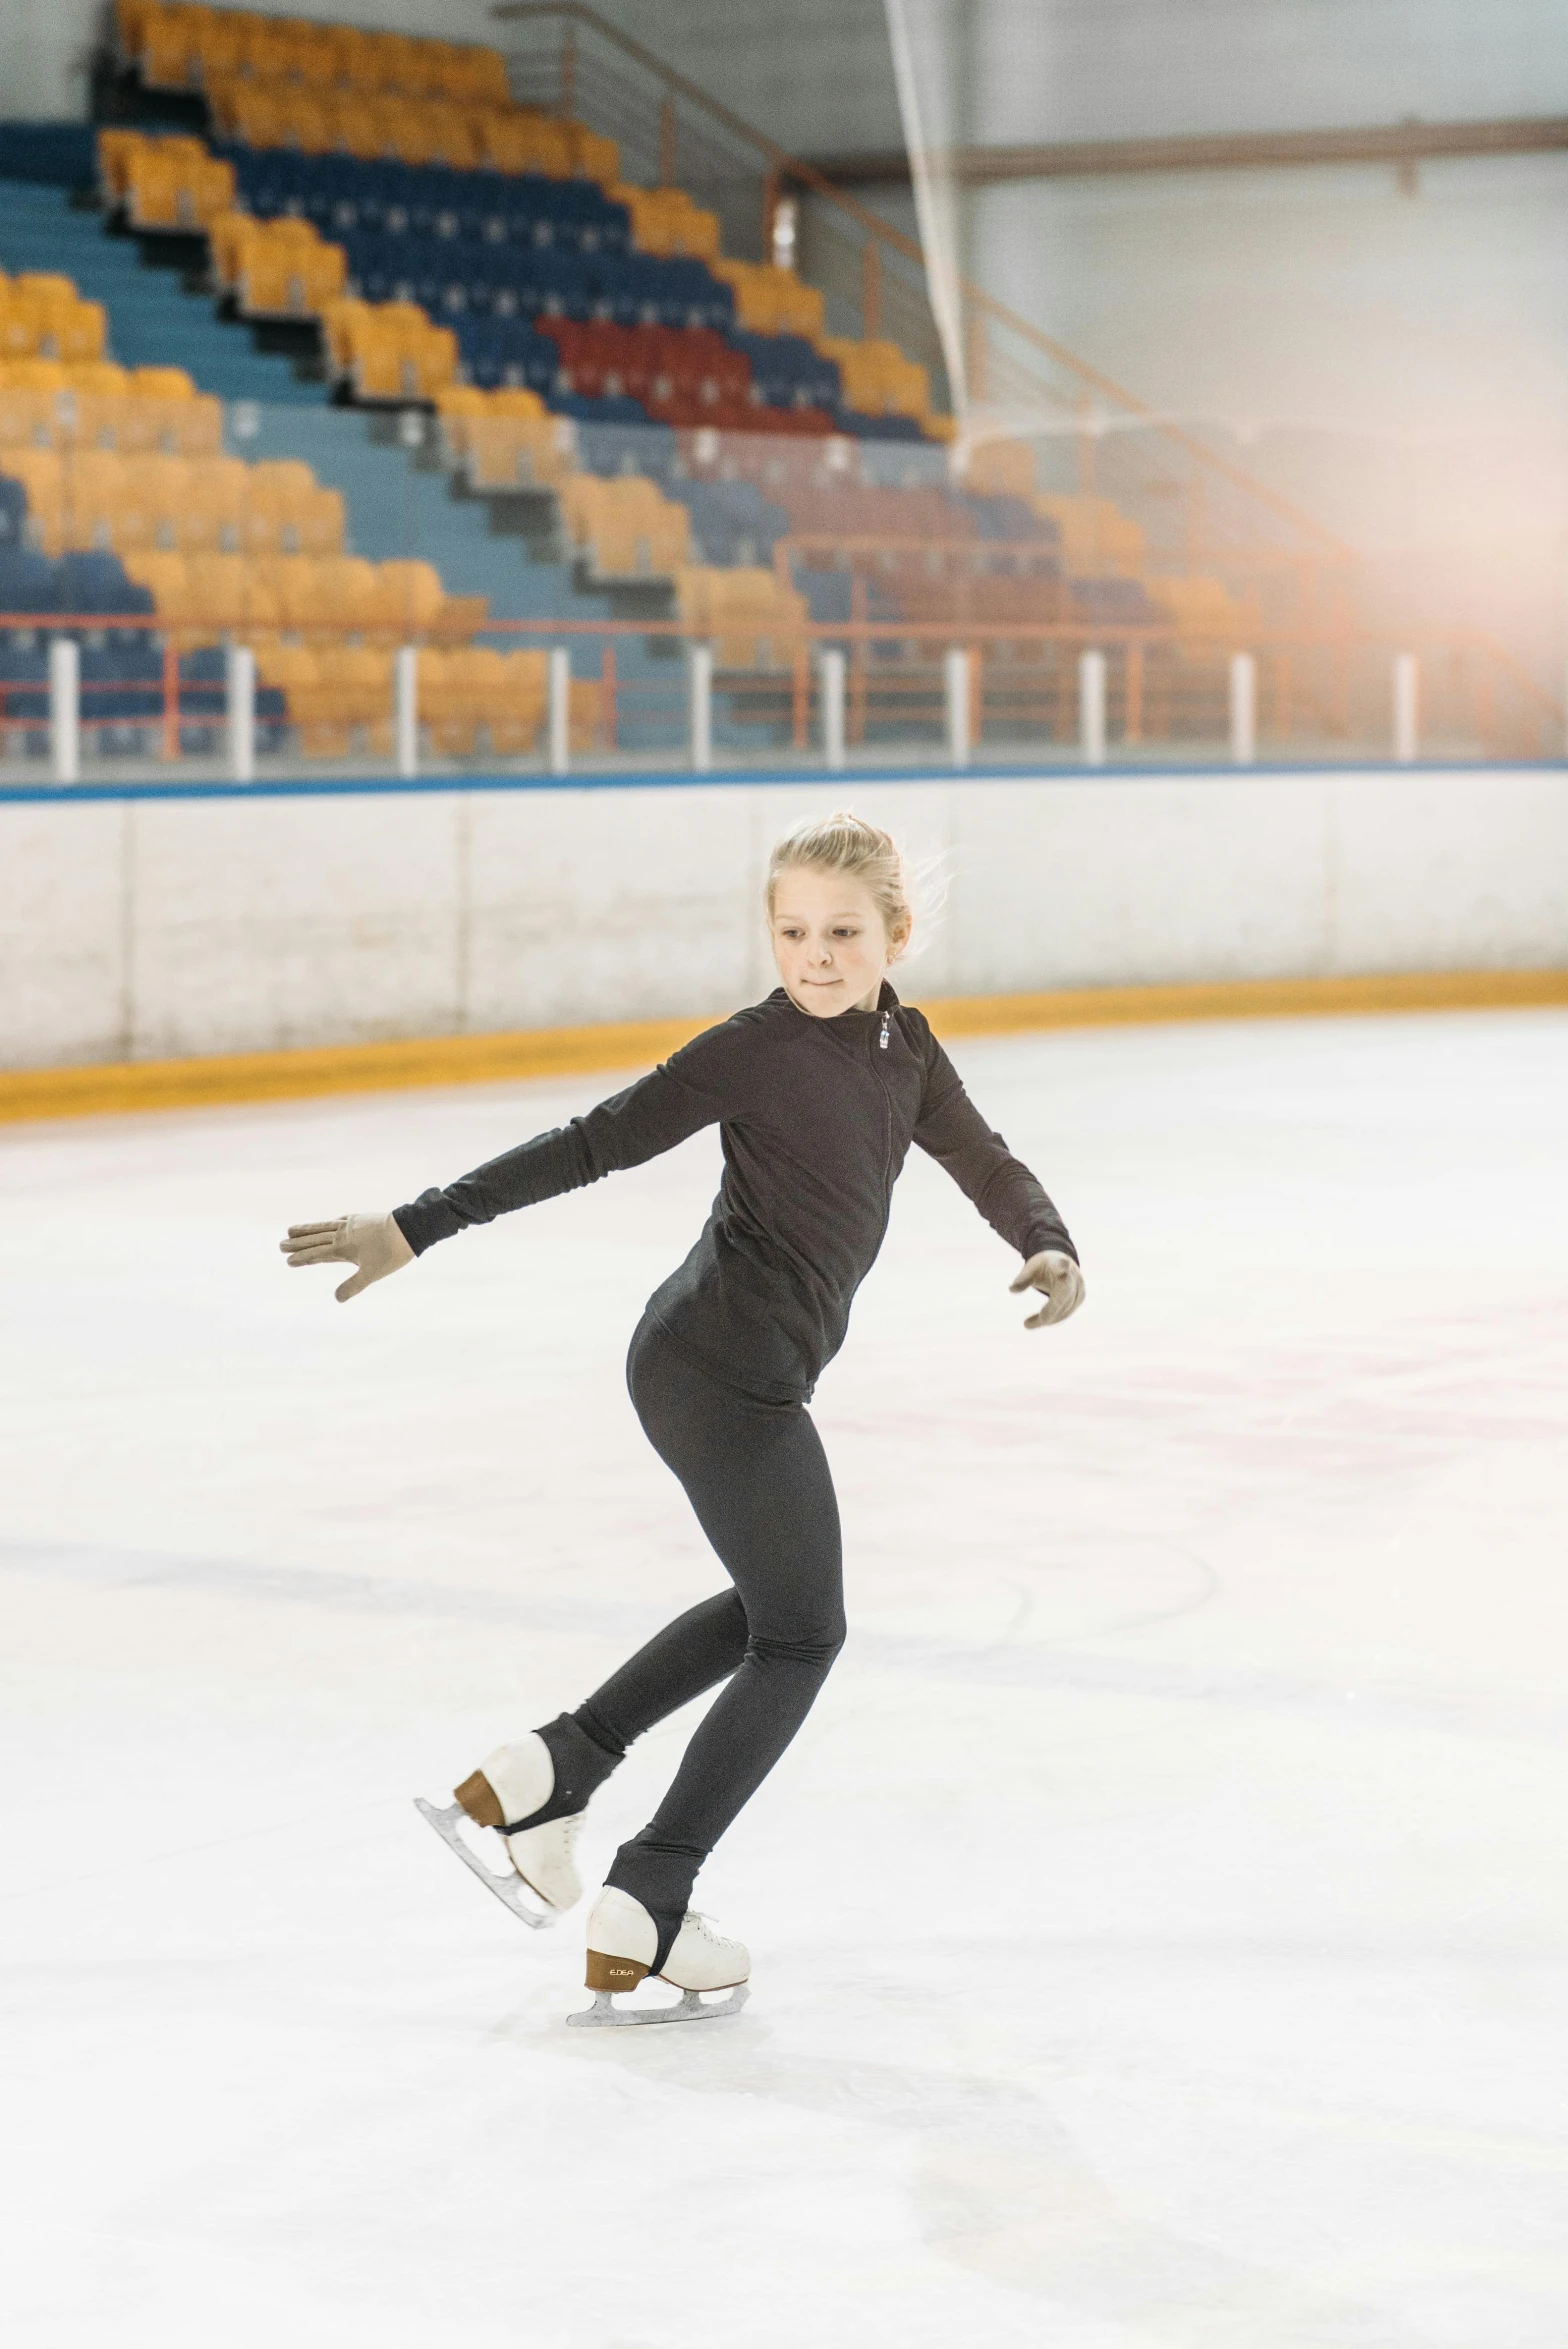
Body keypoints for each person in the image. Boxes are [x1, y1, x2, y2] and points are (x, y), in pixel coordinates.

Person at [281, 812, 1083, 2025]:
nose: (813, 955)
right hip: (714, 1370)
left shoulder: (903, 1050)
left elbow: (982, 1158)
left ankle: (548, 1773)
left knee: (770, 1606)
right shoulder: (753, 1049)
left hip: (733, 1368)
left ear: (895, 936)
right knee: (804, 1634)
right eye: (791, 930)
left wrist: (1045, 1240)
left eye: (841, 932)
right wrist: (418, 1222)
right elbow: (593, 1143)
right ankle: (647, 1898)